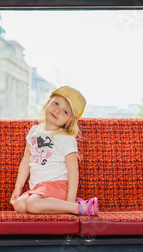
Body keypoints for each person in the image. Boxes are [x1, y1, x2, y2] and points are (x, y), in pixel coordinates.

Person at [10, 86, 98, 216]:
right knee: (19, 205)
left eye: (65, 112)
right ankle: (57, 205)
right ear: (48, 102)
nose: (57, 110)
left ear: (69, 121)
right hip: (38, 188)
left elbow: (73, 170)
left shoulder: (65, 138)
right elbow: (25, 162)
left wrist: (70, 200)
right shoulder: (34, 131)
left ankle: (77, 207)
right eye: (56, 103)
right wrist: (18, 188)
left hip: (57, 186)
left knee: (32, 204)